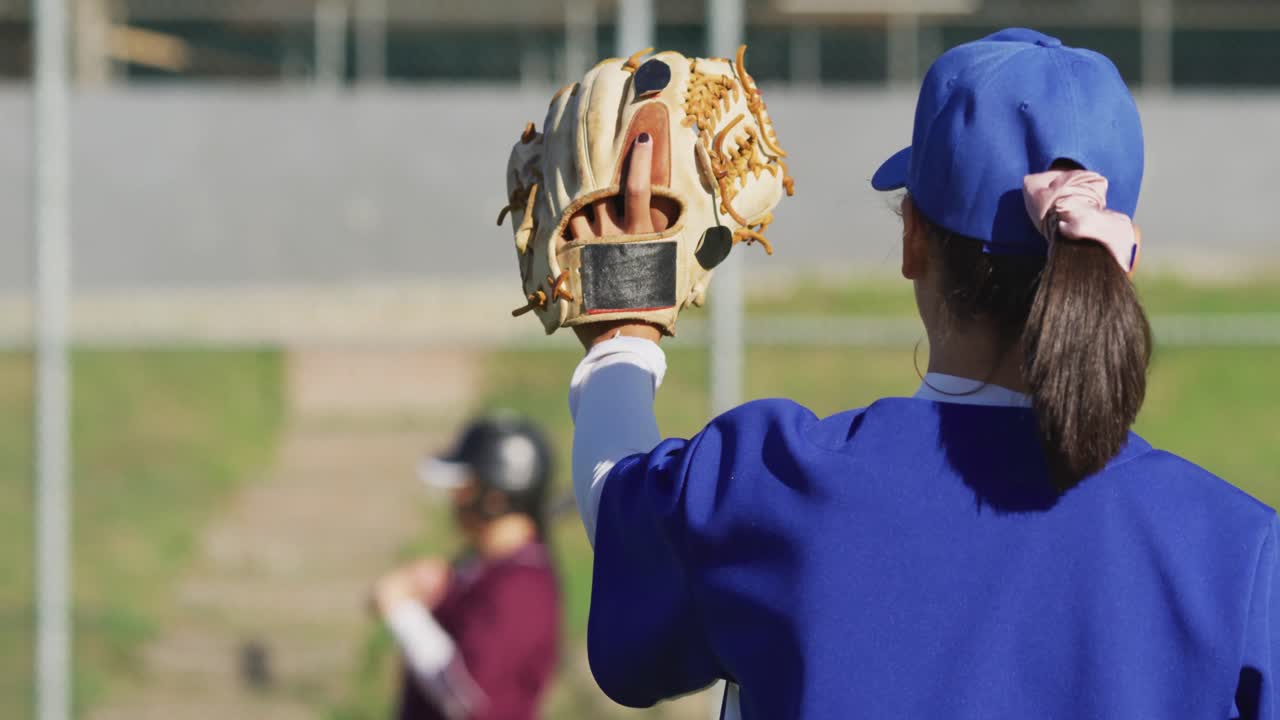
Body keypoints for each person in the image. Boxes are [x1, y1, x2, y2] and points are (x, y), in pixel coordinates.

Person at [566, 29, 1279, 719]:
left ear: (914, 239)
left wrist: (621, 333)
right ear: (1123, 259)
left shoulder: (776, 490)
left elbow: (615, 500)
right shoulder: (1239, 557)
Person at [372, 414, 560, 720]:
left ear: (494, 499)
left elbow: (468, 693)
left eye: (465, 488)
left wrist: (402, 611)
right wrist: (446, 590)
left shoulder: (522, 587)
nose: (455, 499)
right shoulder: (486, 568)